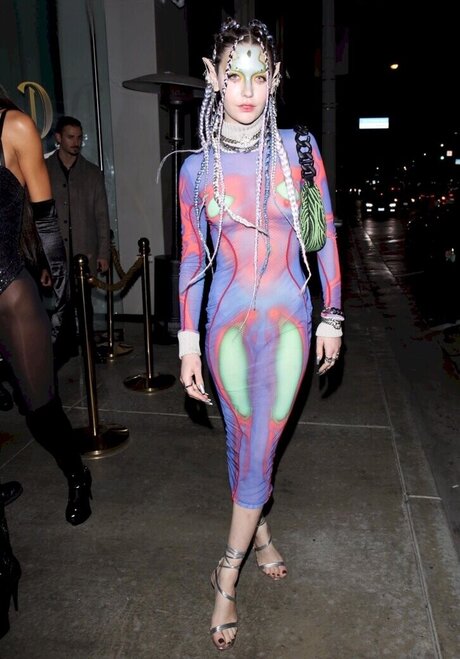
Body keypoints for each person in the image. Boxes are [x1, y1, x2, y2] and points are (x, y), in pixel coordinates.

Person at [177, 19, 342, 651]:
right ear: (213, 77)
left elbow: (322, 235)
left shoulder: (298, 150)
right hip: (224, 330)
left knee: (258, 445)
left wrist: (332, 316)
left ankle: (226, 573)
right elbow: (193, 259)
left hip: (290, 325)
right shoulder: (197, 170)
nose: (247, 89)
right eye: (234, 75)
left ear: (275, 80)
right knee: (242, 437)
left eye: (259, 75)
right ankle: (262, 532)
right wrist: (187, 343)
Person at [0, 93, 92, 528]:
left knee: (38, 409)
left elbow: (46, 221)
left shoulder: (13, 127)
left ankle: (77, 474)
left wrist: (63, 302)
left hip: (9, 293)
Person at [46, 115, 111, 364]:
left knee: (84, 305)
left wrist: (103, 253)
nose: (76, 142)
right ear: (58, 138)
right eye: (70, 137)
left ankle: (88, 350)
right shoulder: (44, 170)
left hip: (85, 252)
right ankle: (64, 350)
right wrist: (41, 260)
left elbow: (102, 216)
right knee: (60, 304)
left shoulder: (92, 173)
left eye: (79, 137)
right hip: (55, 252)